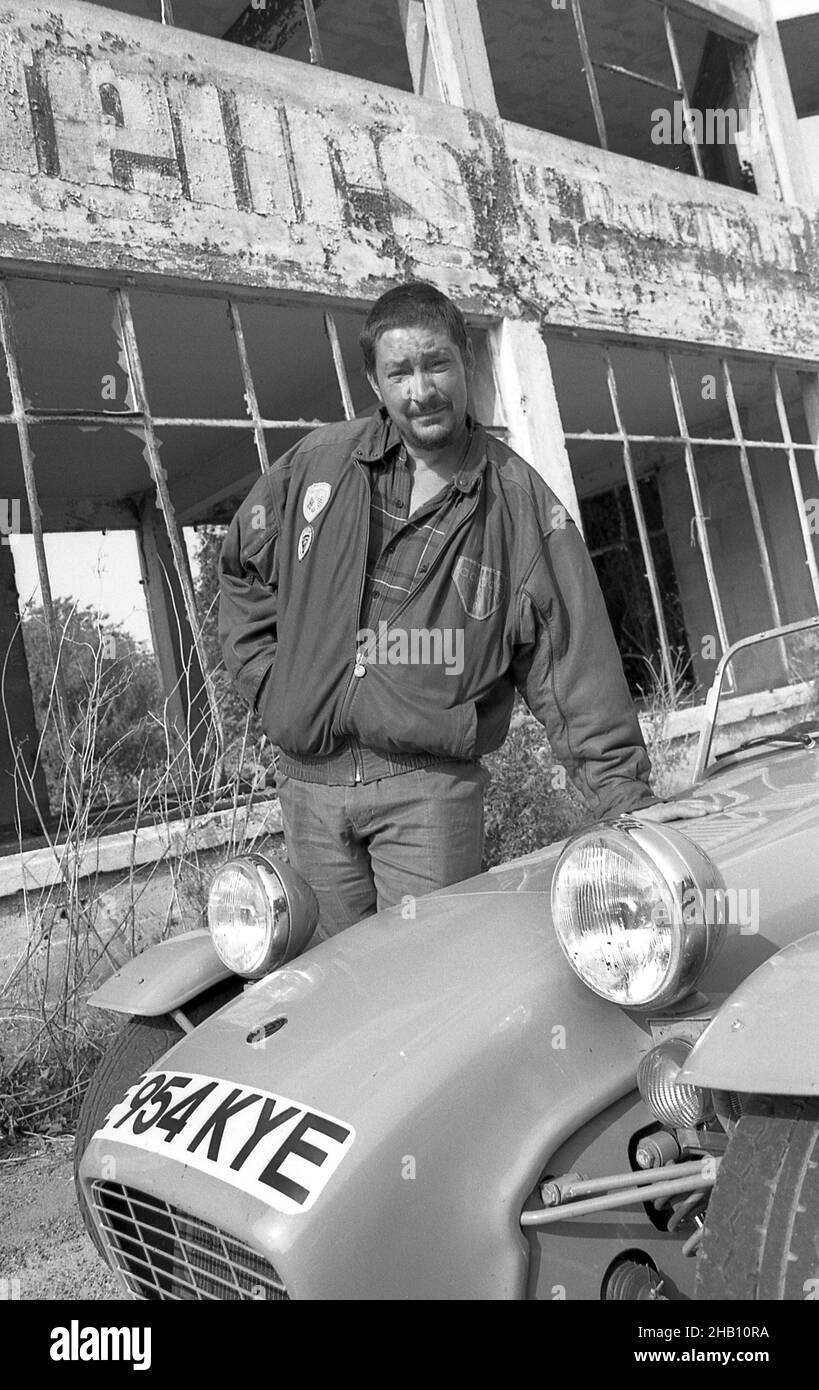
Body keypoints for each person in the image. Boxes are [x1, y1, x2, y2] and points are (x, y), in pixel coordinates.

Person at [219, 281, 709, 937]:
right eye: (399, 371)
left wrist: (620, 792)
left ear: (464, 363)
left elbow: (570, 658)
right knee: (331, 993)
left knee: (428, 986)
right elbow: (240, 566)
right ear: (374, 378)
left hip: (427, 796)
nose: (420, 389)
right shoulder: (317, 466)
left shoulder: (518, 504)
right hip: (309, 791)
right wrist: (275, 684)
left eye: (435, 364)